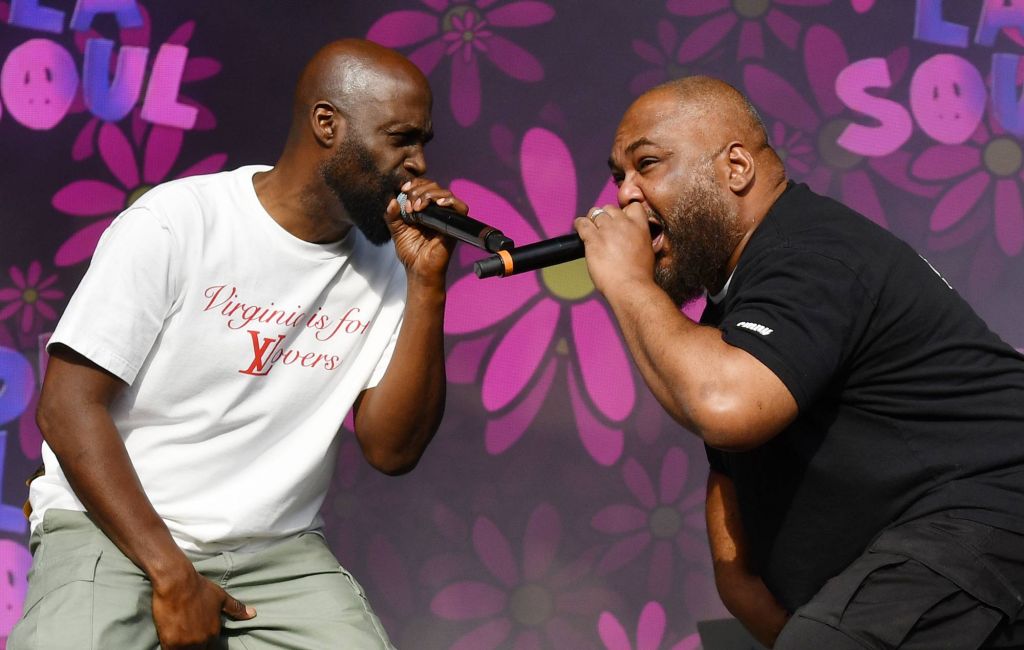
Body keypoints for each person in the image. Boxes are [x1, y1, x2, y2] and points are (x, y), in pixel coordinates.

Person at [10, 38, 464, 650]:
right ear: (327, 124)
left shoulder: (390, 266)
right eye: (400, 138)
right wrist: (173, 577)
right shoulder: (179, 221)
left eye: (423, 144)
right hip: (115, 528)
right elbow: (66, 407)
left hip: (274, 552)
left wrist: (428, 284)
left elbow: (393, 450)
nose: (417, 163)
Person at [575, 75, 1024, 649]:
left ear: (736, 168)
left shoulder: (809, 253)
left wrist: (628, 283)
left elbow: (725, 406)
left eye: (648, 164)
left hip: (985, 522)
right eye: (619, 177)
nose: (625, 197)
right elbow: (732, 511)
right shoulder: (732, 310)